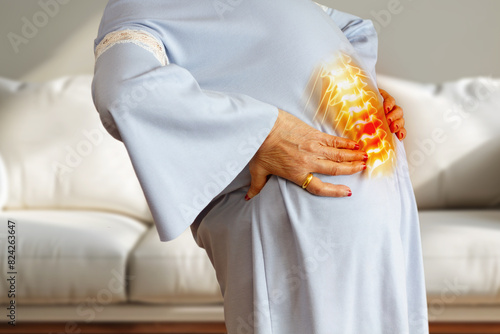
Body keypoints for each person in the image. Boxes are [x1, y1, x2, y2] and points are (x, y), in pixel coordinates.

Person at [92, 1, 428, 333]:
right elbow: (123, 93)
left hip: (383, 211)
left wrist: (360, 95)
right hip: (304, 220)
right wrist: (263, 132)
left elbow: (348, 30)